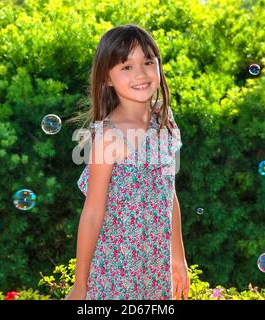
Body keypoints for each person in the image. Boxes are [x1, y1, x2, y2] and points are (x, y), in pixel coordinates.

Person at [65, 24, 189, 300]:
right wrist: (80, 284)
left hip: (154, 268)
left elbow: (169, 195)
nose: (141, 73)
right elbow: (93, 213)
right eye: (126, 66)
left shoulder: (164, 123)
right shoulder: (110, 136)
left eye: (147, 61)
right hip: (115, 269)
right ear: (107, 78)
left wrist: (178, 259)